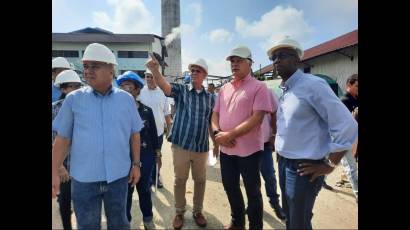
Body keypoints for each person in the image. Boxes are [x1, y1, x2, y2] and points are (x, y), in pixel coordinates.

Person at [266, 37, 358, 229]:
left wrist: (330, 164)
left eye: (282, 55)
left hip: (303, 167)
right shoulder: (287, 90)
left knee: (299, 221)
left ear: (298, 59)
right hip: (283, 162)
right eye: (273, 57)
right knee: (291, 215)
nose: (276, 61)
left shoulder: (313, 85)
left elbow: (347, 125)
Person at [52, 43, 144, 230]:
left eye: (95, 66)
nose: (88, 71)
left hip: (118, 178)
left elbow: (134, 133)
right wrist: (54, 170)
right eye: (86, 66)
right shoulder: (73, 100)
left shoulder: (126, 100)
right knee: (87, 225)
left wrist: (136, 164)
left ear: (111, 69)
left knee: (119, 223)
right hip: (84, 180)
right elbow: (63, 139)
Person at [146, 56, 216, 229]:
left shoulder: (211, 98)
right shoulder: (182, 90)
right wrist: (155, 70)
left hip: (201, 147)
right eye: (192, 70)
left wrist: (217, 144)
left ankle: (198, 211)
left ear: (205, 75)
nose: (193, 73)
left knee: (200, 180)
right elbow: (165, 86)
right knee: (180, 180)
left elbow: (210, 122)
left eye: (197, 70)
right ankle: (179, 212)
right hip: (181, 145)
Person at [211, 45, 273, 230]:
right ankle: (238, 222)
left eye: (239, 61)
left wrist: (230, 134)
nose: (234, 64)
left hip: (250, 151)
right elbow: (215, 115)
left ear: (250, 63)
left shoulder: (259, 87)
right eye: (232, 61)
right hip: (226, 149)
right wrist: (217, 134)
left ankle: (255, 226)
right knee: (230, 186)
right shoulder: (224, 89)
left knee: (253, 191)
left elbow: (257, 118)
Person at [117, 71, 159, 230]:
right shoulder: (116, 111)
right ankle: (125, 221)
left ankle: (148, 218)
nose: (126, 89)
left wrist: (158, 153)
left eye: (129, 86)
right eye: (122, 86)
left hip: (146, 157)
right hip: (123, 158)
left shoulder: (146, 111)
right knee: (125, 193)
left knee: (144, 190)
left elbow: (154, 134)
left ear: (137, 90)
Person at [52, 70, 83, 230]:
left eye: (79, 86)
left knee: (82, 203)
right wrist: (59, 166)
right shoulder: (55, 109)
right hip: (63, 166)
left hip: (83, 166)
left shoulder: (84, 108)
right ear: (63, 89)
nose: (77, 89)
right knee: (64, 203)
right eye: (73, 86)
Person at [140, 68, 173, 189]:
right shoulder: (141, 92)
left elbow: (166, 113)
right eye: (147, 76)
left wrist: (169, 130)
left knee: (157, 156)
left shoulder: (162, 93)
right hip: (143, 132)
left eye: (151, 76)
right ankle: (147, 179)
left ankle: (157, 176)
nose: (148, 79)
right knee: (144, 156)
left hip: (158, 132)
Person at [260, 90, 286, 221]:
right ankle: (254, 204)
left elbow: (275, 112)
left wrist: (274, 134)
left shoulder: (266, 92)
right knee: (251, 179)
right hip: (246, 145)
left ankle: (274, 202)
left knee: (269, 175)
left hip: (264, 143)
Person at [338, 74, 359, 200]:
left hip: (353, 137)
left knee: (331, 161)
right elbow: (341, 123)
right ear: (348, 85)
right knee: (351, 167)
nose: (358, 88)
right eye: (356, 86)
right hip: (343, 138)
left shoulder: (356, 98)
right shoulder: (344, 101)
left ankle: (321, 178)